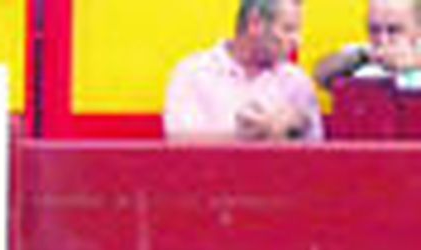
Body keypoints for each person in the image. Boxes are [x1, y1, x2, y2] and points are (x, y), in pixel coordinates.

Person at [163, 0, 324, 141]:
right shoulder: (194, 73)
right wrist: (251, 136)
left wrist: (296, 126)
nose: (297, 41)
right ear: (255, 24)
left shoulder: (296, 82)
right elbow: (179, 142)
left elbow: (315, 154)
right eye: (288, 29)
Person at [311, 0, 421, 88]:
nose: (383, 40)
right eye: (374, 30)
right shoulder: (363, 53)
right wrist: (363, 57)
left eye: (393, 30)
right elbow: (320, 75)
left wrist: (415, 61)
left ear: (417, 29)